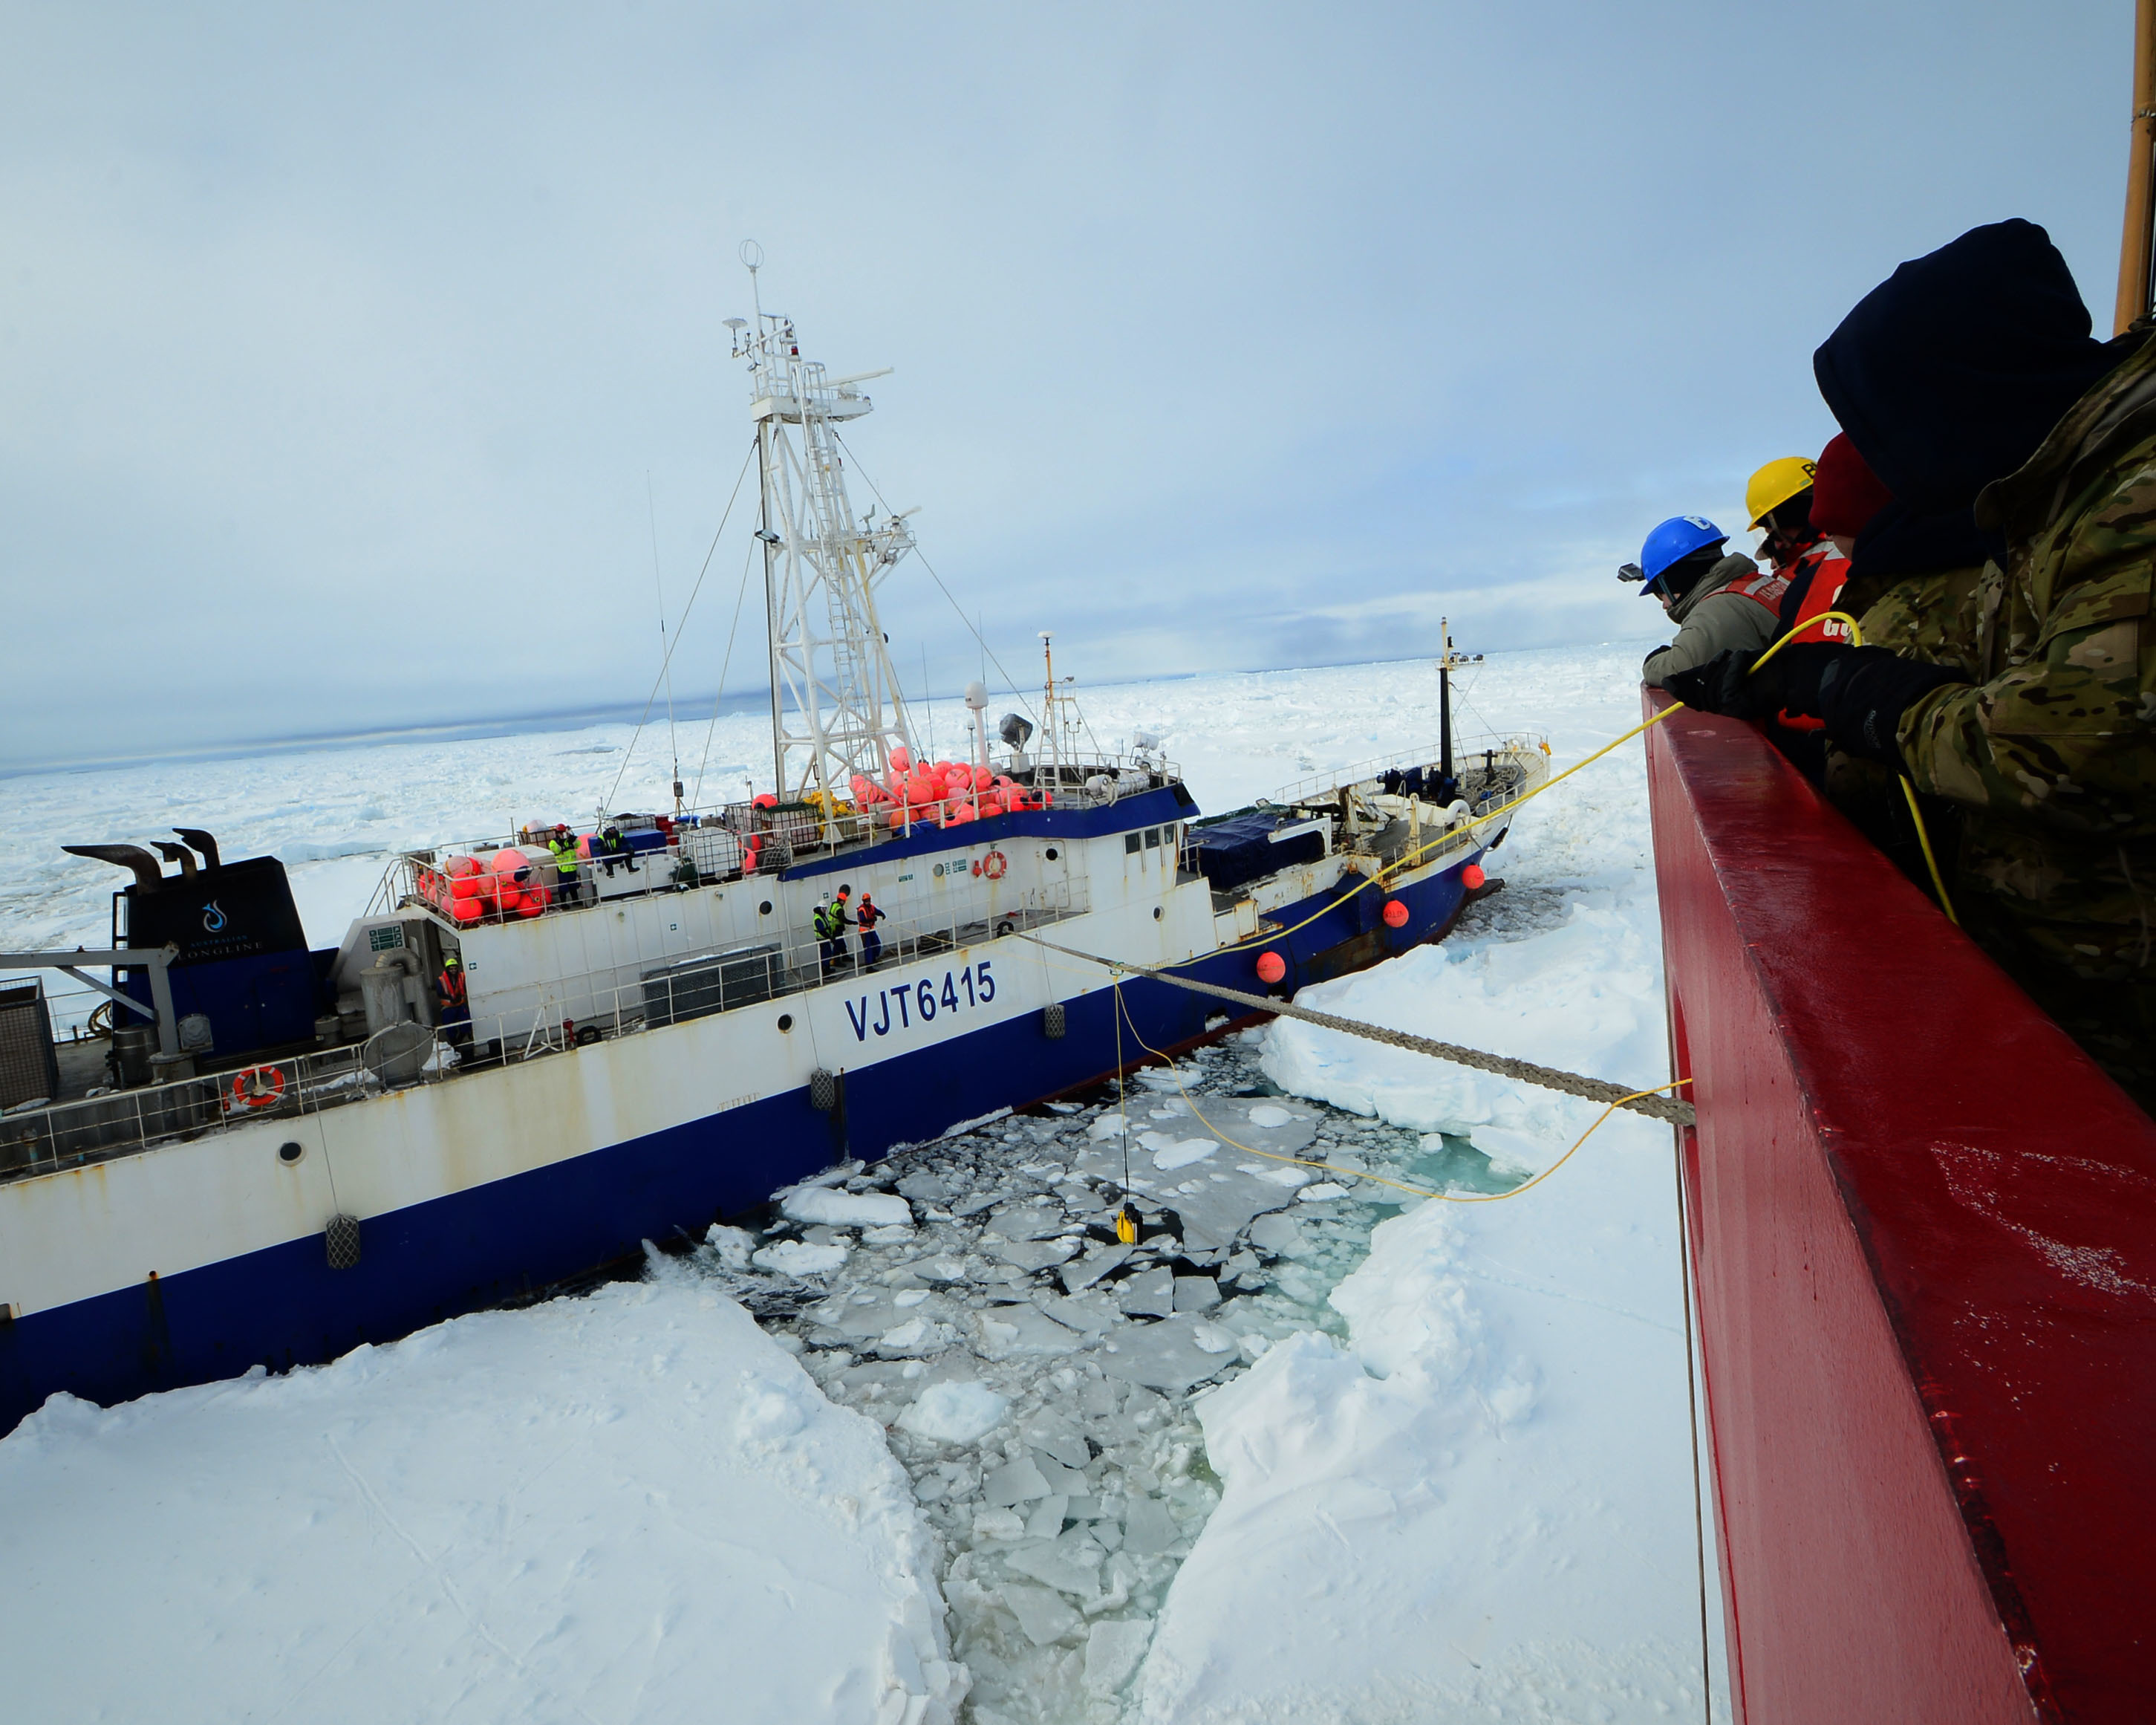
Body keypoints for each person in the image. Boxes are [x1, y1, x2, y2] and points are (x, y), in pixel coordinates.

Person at [1668, 219, 2156, 1110]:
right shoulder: (2047, 509)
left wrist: (1857, 696)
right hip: (2057, 1008)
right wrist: (1794, 711)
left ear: (1959, 394)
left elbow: (2077, 752)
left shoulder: (2129, 497)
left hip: (2120, 1023)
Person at [1629, 516, 1789, 691]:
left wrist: (1652, 660)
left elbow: (1678, 667)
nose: (1664, 605)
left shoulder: (1715, 610)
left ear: (1675, 580)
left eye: (1660, 594)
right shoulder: (1758, 584)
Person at [437, 952, 472, 1049]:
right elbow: (439, 993)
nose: (453, 971)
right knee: (450, 1028)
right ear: (447, 969)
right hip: (448, 1007)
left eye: (455, 969)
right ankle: (454, 1044)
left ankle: (459, 1040)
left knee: (466, 1022)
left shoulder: (461, 976)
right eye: (451, 969)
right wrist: (450, 998)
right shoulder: (441, 980)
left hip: (460, 1004)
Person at [547, 823, 584, 909]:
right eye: (561, 833)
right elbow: (557, 850)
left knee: (573, 885)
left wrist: (571, 837)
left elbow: (578, 844)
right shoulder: (554, 842)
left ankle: (575, 900)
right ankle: (563, 903)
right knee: (563, 887)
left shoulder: (570, 840)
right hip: (563, 868)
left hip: (572, 867)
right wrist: (562, 842)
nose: (563, 834)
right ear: (558, 833)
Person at [855, 891, 884, 972]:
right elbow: (863, 919)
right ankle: (869, 967)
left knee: (877, 944)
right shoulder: (861, 909)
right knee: (868, 948)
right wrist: (872, 919)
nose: (867, 902)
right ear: (863, 901)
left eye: (868, 900)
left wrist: (882, 914)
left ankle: (873, 958)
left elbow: (877, 911)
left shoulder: (872, 907)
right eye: (866, 900)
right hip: (864, 930)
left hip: (871, 929)